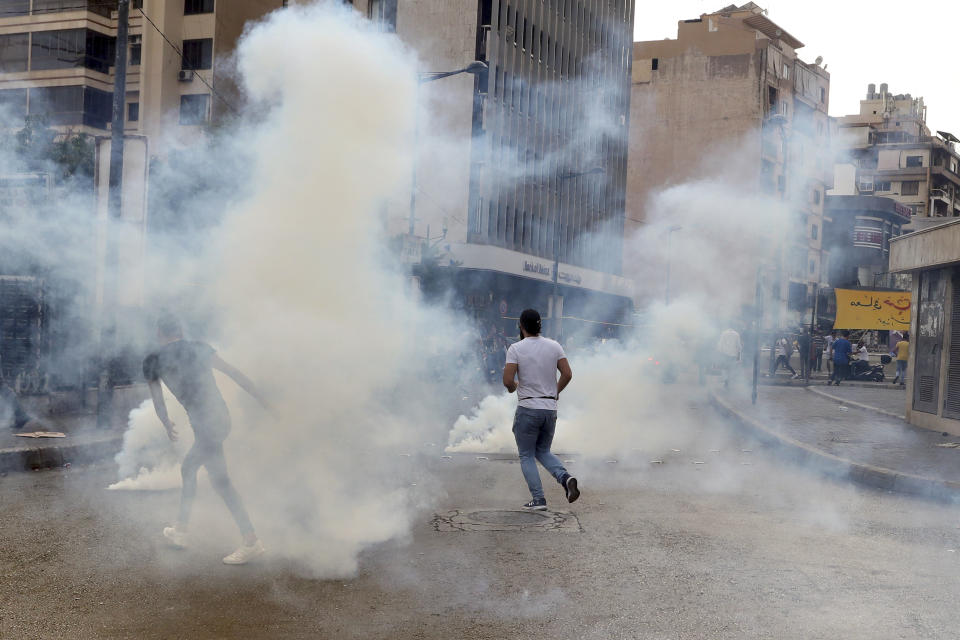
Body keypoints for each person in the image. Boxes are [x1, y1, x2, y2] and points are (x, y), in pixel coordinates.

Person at [143, 313, 270, 565]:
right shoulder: (200, 348)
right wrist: (262, 399)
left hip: (208, 424)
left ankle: (251, 541)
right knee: (197, 472)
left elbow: (158, 402)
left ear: (159, 333)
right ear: (180, 329)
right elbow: (235, 373)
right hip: (219, 418)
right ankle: (181, 531)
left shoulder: (152, 361)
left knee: (214, 479)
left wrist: (167, 423)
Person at [502, 308, 579, 510]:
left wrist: (513, 388)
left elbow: (508, 380)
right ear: (539, 326)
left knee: (527, 454)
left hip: (528, 408)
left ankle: (538, 499)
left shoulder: (516, 348)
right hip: (549, 408)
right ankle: (565, 478)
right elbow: (567, 374)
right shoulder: (554, 346)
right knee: (543, 450)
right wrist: (555, 392)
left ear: (521, 325)